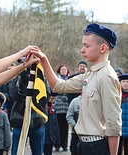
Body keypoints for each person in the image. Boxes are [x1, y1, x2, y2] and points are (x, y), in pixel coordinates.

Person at [32, 23, 122, 155]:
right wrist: (43, 59)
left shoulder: (106, 77)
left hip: (96, 146)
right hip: (82, 144)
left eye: (87, 46)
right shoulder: (91, 74)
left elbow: (113, 124)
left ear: (103, 48)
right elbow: (58, 85)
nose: (82, 50)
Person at [10, 67, 48, 155]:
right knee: (16, 151)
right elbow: (12, 96)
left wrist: (35, 82)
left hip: (37, 120)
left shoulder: (40, 78)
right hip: (19, 120)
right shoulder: (18, 77)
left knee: (38, 152)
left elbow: (46, 98)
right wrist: (15, 79)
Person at [53, 64, 70, 151]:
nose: (63, 71)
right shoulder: (56, 78)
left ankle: (65, 145)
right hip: (58, 105)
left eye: (65, 69)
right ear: (59, 70)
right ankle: (57, 144)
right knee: (57, 126)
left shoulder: (70, 79)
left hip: (67, 106)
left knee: (65, 126)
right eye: (62, 69)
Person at [43, 90, 60, 155]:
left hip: (51, 137)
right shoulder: (42, 107)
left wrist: (57, 138)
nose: (52, 101)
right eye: (51, 98)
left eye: (54, 99)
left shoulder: (53, 108)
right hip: (44, 135)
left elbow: (55, 124)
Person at [117, 74, 128, 155]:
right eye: (123, 81)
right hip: (118, 128)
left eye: (127, 82)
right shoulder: (116, 95)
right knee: (118, 150)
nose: (125, 83)